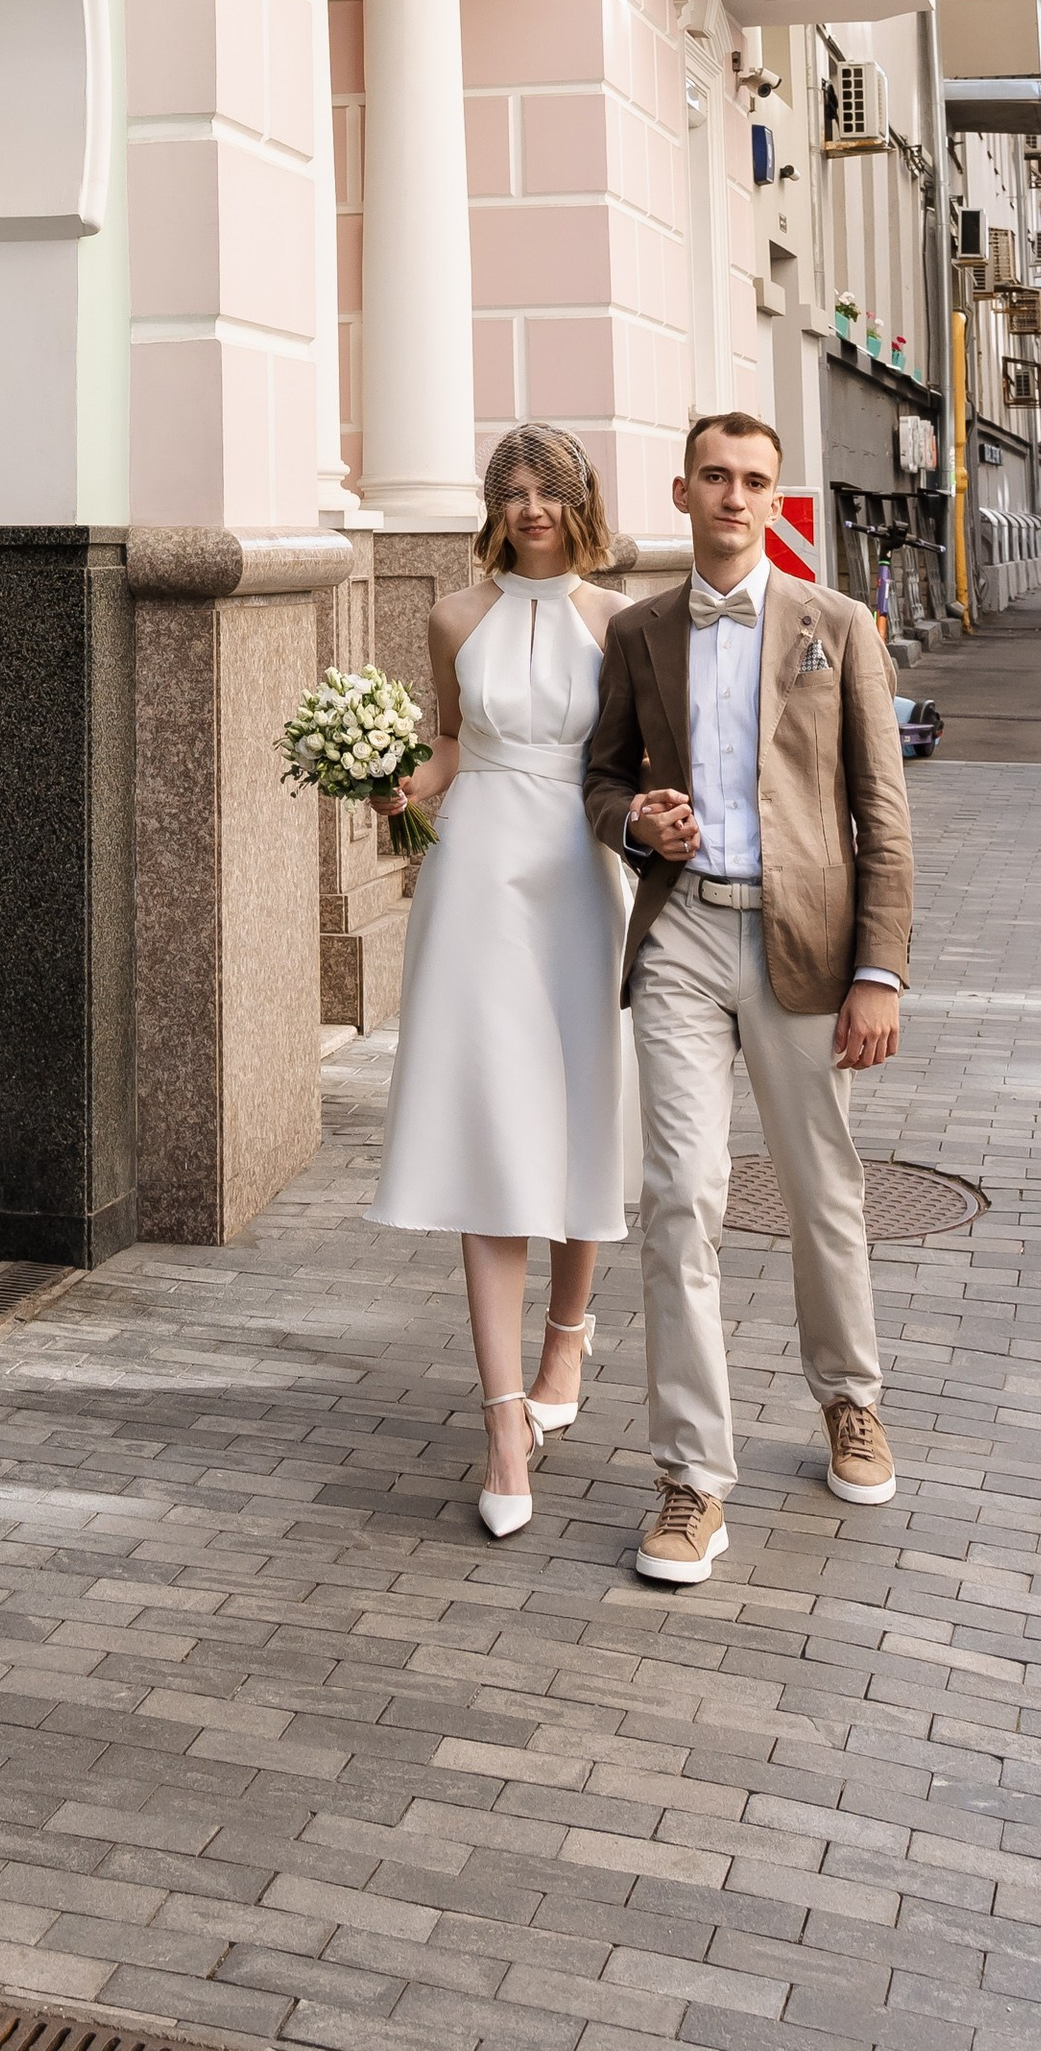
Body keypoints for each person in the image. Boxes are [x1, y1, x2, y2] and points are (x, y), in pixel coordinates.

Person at [584, 410, 914, 1587]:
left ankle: (848, 1400)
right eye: (714, 478)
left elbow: (882, 808)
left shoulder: (837, 625)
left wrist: (876, 971)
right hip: (679, 931)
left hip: (803, 945)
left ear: (776, 500)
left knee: (821, 1190)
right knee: (679, 1194)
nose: (734, 497)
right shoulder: (635, 631)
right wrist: (633, 820)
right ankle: (690, 1479)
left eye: (754, 481)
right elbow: (603, 774)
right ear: (680, 494)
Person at [368, 425, 630, 1541]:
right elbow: (449, 744)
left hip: (576, 869)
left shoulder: (619, 622)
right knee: (488, 1126)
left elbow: (631, 762)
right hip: (474, 871)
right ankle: (500, 1425)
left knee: (576, 1109)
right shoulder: (451, 617)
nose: (529, 507)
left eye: (548, 490)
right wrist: (390, 788)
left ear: (579, 502)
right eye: (511, 491)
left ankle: (567, 1336)